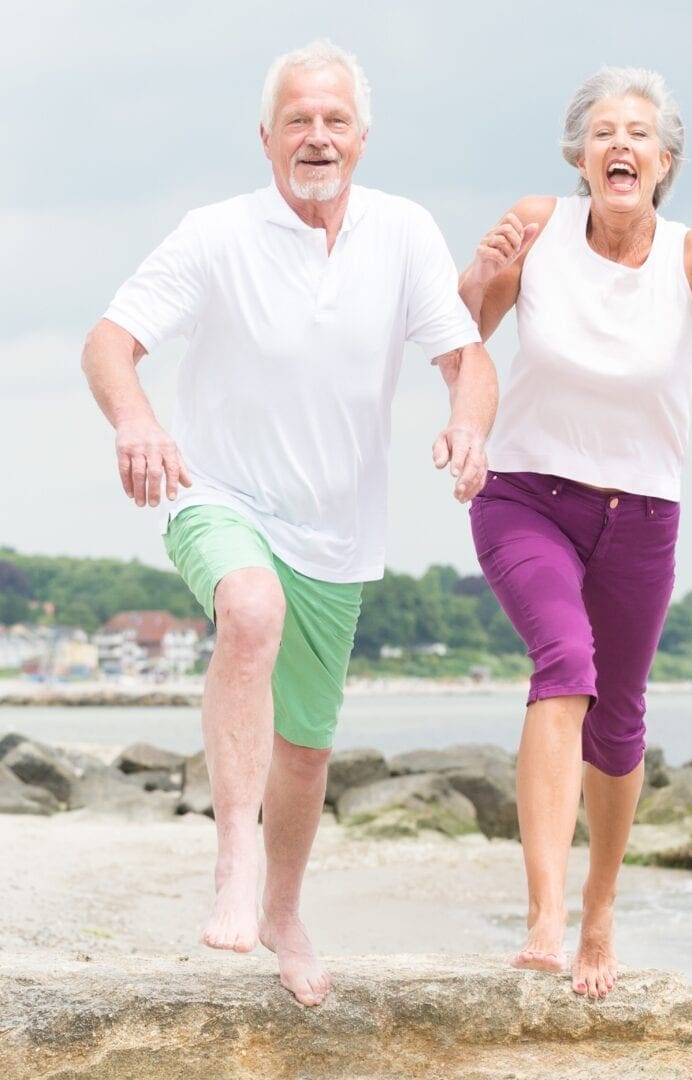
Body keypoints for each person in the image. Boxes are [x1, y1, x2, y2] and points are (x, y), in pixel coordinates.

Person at [81, 40, 496, 1007]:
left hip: (338, 531)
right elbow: (110, 340)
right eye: (299, 121)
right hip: (216, 492)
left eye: (336, 120)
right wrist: (137, 421)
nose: (318, 137)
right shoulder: (215, 234)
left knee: (306, 750)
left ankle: (283, 908)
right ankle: (232, 859)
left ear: (362, 136)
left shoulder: (404, 232)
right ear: (266, 138)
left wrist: (469, 424)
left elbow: (466, 357)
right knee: (249, 608)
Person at [458, 68, 692, 1000]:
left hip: (641, 514)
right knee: (563, 660)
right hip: (526, 496)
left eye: (640, 133)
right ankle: (544, 914)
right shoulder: (538, 223)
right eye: (604, 130)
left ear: (665, 162)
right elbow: (465, 327)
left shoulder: (691, 256)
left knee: (621, 720)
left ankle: (601, 908)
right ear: (579, 154)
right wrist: (483, 270)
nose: (621, 144)